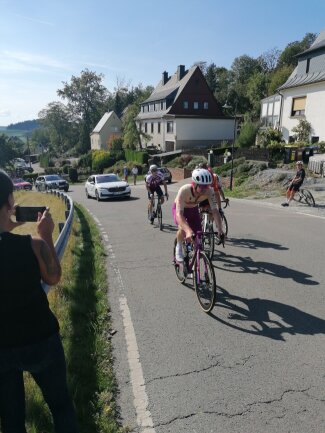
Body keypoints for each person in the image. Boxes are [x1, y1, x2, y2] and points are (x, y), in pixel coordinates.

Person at [0, 169, 79, 433]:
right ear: (11, 202)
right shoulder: (32, 245)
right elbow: (54, 277)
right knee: (61, 406)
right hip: (39, 338)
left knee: (12, 421)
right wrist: (45, 234)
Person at [172, 168, 225, 262]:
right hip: (180, 209)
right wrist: (188, 231)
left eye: (207, 186)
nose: (205, 189)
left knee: (198, 236)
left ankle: (194, 265)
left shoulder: (209, 191)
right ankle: (179, 247)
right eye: (202, 186)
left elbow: (215, 211)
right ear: (194, 184)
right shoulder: (184, 190)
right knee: (183, 228)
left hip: (193, 209)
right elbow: (179, 215)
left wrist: (220, 229)